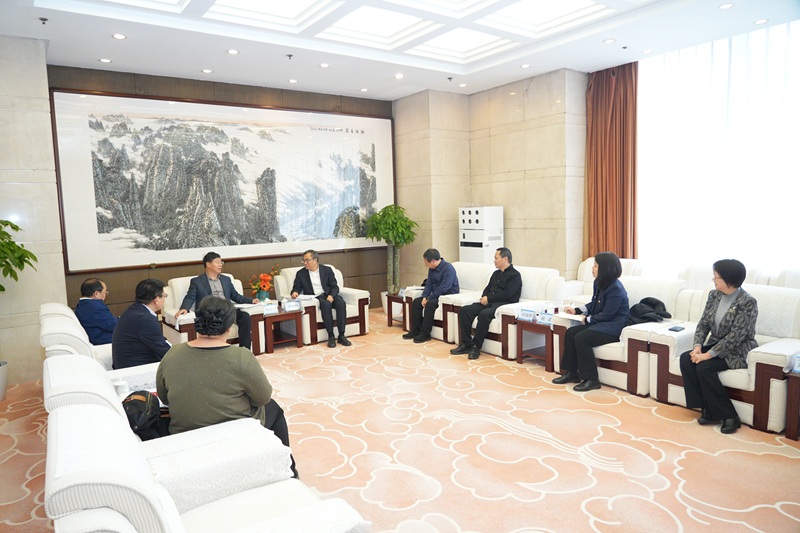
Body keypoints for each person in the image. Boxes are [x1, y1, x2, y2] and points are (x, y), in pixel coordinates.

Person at [156, 296, 297, 477]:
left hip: (186, 434)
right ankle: (287, 470)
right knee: (273, 408)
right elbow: (262, 397)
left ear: (197, 322)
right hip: (233, 433)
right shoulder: (241, 356)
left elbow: (164, 397)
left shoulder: (172, 353)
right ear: (230, 327)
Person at [679, 259, 757, 434]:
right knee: (686, 358)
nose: (713, 279)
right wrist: (697, 347)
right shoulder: (714, 295)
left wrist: (707, 355)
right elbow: (703, 324)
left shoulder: (747, 302)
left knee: (704, 367)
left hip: (738, 349)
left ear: (729, 280)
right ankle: (706, 408)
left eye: (717, 276)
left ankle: (730, 416)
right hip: (716, 343)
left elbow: (736, 336)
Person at [553, 252, 630, 392]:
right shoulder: (599, 283)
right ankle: (571, 373)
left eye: (595, 266)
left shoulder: (616, 289)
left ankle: (592, 379)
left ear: (605, 268)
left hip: (614, 328)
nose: (592, 269)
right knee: (570, 332)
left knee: (582, 338)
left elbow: (608, 314)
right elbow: (594, 304)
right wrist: (577, 310)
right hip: (601, 324)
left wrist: (588, 319)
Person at [175, 251, 259, 350]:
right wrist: (184, 308)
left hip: (227, 310)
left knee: (244, 317)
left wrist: (251, 300)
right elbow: (190, 296)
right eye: (217, 262)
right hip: (210, 312)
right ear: (208, 264)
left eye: (221, 262)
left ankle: (245, 350)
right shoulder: (197, 281)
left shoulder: (226, 279)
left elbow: (235, 296)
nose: (220, 265)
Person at [450, 247, 522, 360]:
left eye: (496, 258)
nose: (494, 260)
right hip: (489, 302)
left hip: (502, 305)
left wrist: (489, 299)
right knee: (464, 310)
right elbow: (488, 288)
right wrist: (484, 297)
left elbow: (508, 294)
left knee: (484, 314)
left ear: (505, 259)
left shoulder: (515, 275)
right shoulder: (496, 274)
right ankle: (466, 344)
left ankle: (476, 347)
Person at [291, 249, 351, 348]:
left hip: (329, 294)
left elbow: (335, 286)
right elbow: (297, 287)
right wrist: (295, 292)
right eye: (303, 260)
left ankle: (341, 335)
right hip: (316, 297)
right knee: (326, 304)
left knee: (341, 303)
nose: (305, 263)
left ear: (315, 260)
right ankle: (331, 336)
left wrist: (331, 295)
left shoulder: (327, 270)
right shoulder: (301, 273)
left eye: (307, 260)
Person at [112, 278, 172, 369]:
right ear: (156, 300)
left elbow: (155, 339)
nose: (164, 299)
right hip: (135, 368)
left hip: (126, 362)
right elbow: (164, 351)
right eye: (164, 296)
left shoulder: (134, 309)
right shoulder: (146, 319)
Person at [403, 248, 459, 343]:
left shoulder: (448, 268)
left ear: (433, 261)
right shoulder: (432, 269)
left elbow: (444, 287)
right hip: (435, 295)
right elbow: (429, 284)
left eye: (426, 263)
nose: (426, 265)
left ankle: (425, 334)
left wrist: (429, 298)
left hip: (446, 296)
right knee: (416, 302)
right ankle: (415, 330)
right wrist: (424, 296)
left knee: (430, 304)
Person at [74, 277, 117, 345]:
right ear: (96, 294)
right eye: (105, 292)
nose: (105, 296)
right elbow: (114, 325)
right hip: (101, 339)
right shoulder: (95, 307)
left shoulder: (82, 304)